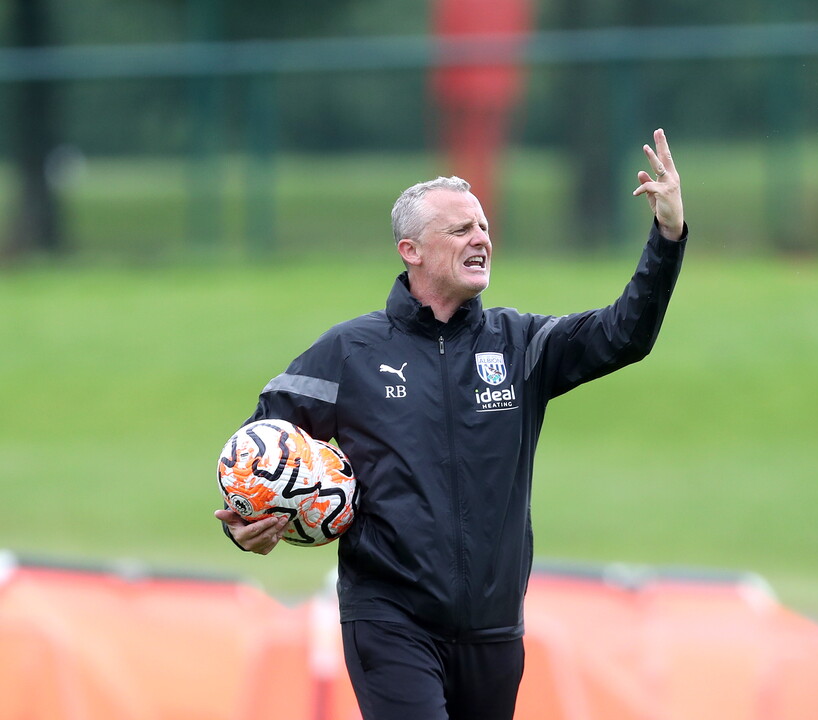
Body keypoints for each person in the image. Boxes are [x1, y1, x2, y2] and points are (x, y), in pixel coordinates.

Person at [215, 128, 687, 720]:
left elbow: (626, 334)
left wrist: (667, 236)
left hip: (493, 630)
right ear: (411, 250)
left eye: (484, 227)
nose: (481, 238)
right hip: (390, 621)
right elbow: (257, 448)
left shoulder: (522, 345)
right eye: (460, 229)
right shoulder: (350, 351)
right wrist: (249, 524)